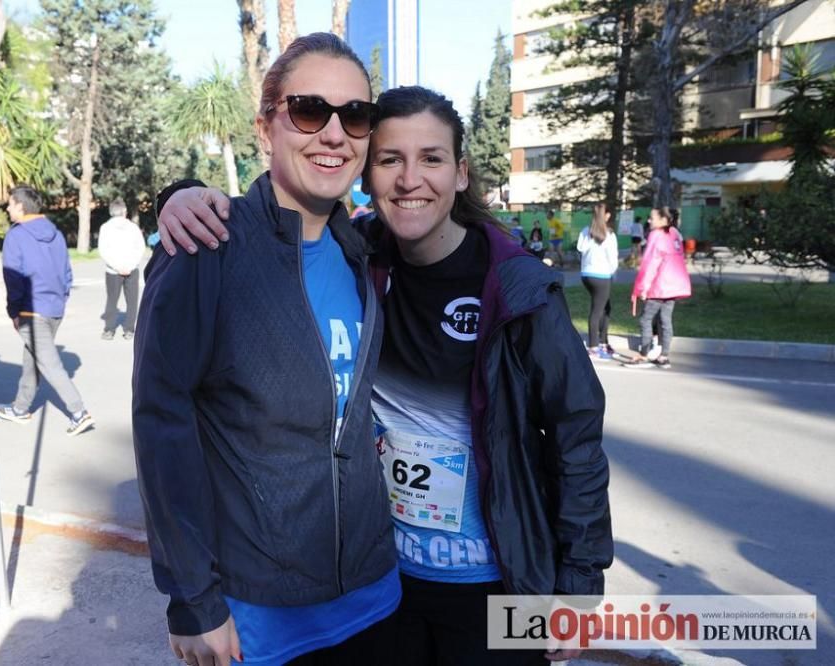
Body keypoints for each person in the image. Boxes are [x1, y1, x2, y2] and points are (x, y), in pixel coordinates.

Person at [160, 85, 613, 665]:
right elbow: (268, 223)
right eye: (390, 159)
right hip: (382, 585)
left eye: (432, 158)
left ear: (461, 173)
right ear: (366, 176)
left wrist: (578, 582)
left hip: (500, 583)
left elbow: (577, 437)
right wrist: (180, 197)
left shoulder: (518, 290)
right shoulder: (356, 258)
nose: (409, 179)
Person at [133, 33, 399, 666]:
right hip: (258, 619)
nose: (334, 134)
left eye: (355, 116)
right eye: (310, 111)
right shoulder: (206, 248)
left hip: (376, 596)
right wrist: (192, 598)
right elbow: (162, 426)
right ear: (265, 128)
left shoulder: (363, 252)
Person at [0, 185, 94, 435]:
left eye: (10, 203)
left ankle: (79, 411)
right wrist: (61, 299)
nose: (7, 208)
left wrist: (13, 311)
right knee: (33, 358)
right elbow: (67, 272)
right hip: (53, 309)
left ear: (20, 206)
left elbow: (13, 277)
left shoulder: (16, 236)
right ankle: (20, 408)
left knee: (49, 364)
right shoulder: (56, 233)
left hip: (31, 310)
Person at [625, 207, 691, 369]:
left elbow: (650, 264)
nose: (649, 220)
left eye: (652, 218)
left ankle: (644, 355)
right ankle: (664, 356)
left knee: (646, 319)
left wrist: (642, 288)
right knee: (665, 320)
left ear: (663, 220)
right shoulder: (675, 233)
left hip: (659, 285)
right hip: (674, 285)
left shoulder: (656, 235)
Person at [97, 199, 145, 341]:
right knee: (132, 300)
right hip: (132, 269)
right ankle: (129, 329)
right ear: (124, 211)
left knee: (112, 300)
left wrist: (116, 266)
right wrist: (130, 265)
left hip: (113, 270)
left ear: (111, 212)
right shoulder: (133, 227)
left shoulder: (105, 228)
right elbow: (140, 247)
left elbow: (103, 250)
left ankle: (109, 330)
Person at [577, 204, 619, 361]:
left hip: (586, 274)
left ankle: (602, 342)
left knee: (604, 307)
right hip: (602, 275)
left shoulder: (585, 231)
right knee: (598, 310)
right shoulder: (609, 235)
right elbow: (612, 259)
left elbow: (580, 248)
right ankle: (594, 347)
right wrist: (613, 273)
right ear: (606, 216)